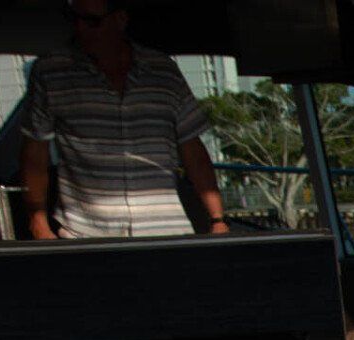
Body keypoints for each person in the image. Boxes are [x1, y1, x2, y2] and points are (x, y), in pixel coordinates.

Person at [18, 0, 229, 239]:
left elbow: (192, 148)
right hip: (85, 232)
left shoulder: (163, 71)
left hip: (164, 229)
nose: (81, 28)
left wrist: (217, 219)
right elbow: (35, 153)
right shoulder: (51, 71)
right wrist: (38, 223)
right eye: (73, 18)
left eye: (92, 21)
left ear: (120, 19)